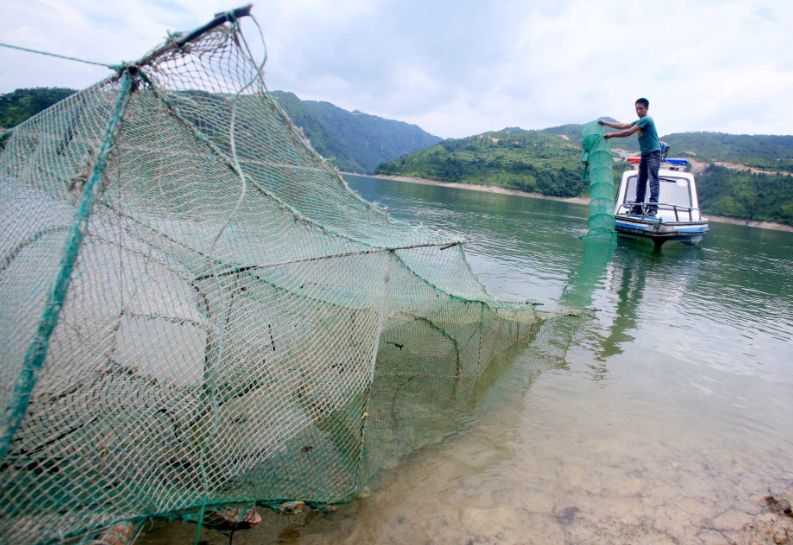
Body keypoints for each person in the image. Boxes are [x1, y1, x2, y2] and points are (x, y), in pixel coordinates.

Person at [599, 98, 661, 216]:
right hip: (645, 154)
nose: (638, 111)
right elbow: (622, 125)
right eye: (636, 109)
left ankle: (653, 208)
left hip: (654, 154)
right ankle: (638, 207)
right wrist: (605, 123)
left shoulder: (647, 119)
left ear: (647, 108)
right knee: (641, 181)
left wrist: (611, 135)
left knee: (653, 180)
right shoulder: (640, 121)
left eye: (641, 108)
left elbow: (628, 132)